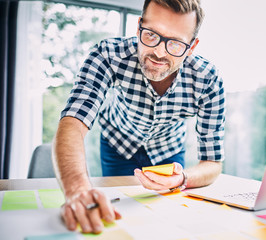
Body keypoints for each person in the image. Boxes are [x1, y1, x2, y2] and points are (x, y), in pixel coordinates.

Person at [52, 0, 226, 234]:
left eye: (175, 44)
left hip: (169, 151)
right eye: (151, 35)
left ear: (192, 46)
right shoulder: (108, 54)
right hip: (118, 145)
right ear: (138, 27)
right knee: (115, 220)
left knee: (167, 222)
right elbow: (72, 122)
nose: (159, 52)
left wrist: (183, 177)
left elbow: (212, 162)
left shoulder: (208, 80)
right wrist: (77, 190)